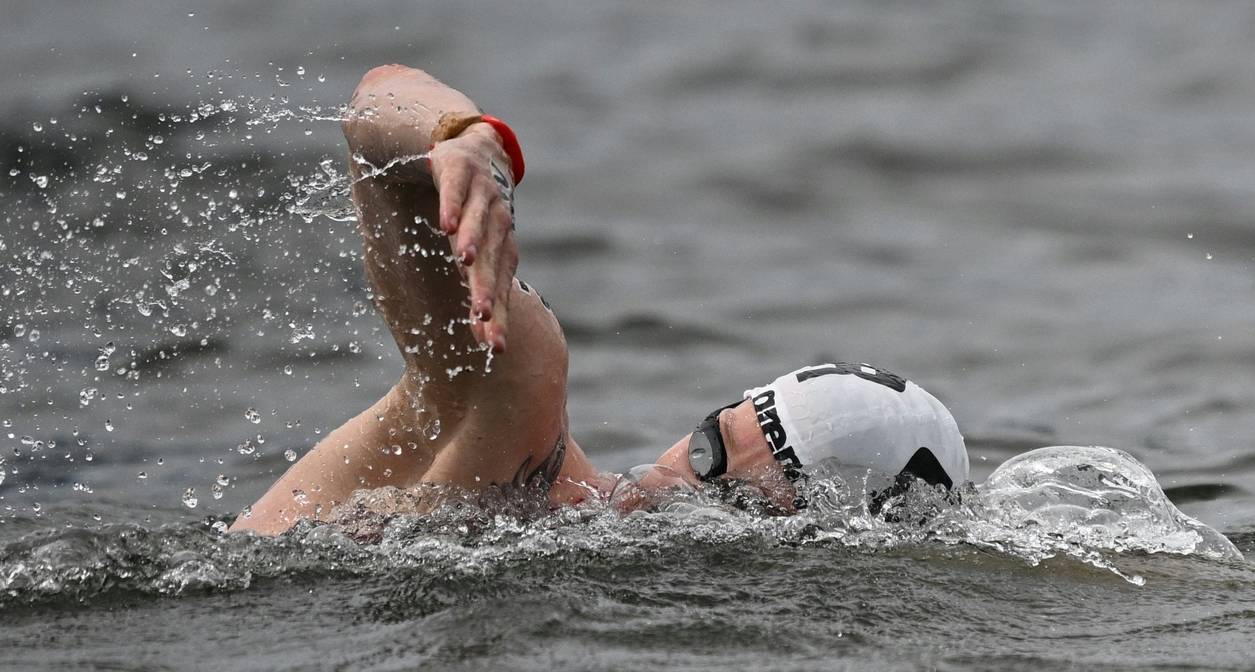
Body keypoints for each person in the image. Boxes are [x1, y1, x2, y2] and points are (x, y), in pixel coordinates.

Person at [232, 65, 969, 536]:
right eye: (708, 441)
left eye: (729, 491)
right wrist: (459, 137)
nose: (678, 474)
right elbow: (374, 104)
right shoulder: (520, 397)